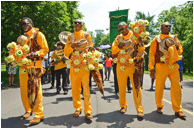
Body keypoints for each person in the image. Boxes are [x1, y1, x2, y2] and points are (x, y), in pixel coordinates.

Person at [149, 22, 186, 118]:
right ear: (161, 28)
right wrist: (151, 68)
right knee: (159, 87)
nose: (168, 28)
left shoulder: (174, 38)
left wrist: (177, 47)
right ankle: (159, 105)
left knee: (177, 87)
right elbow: (152, 54)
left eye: (170, 26)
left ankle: (178, 109)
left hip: (173, 66)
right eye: (166, 26)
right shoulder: (156, 39)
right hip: (161, 66)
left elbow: (180, 50)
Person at [112, 22, 145, 118]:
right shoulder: (118, 38)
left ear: (126, 27)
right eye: (120, 30)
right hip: (121, 65)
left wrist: (139, 42)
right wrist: (119, 46)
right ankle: (123, 105)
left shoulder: (135, 35)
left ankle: (139, 109)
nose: (121, 31)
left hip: (133, 65)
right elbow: (113, 50)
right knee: (121, 88)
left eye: (122, 29)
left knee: (136, 87)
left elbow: (142, 49)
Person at [19, 17, 49, 124]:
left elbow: (45, 49)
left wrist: (36, 53)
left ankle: (39, 114)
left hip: (35, 66)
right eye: (22, 24)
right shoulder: (22, 37)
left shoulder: (38, 34)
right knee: (24, 89)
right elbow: (18, 50)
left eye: (25, 24)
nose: (23, 26)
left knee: (36, 90)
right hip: (23, 67)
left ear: (31, 23)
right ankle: (28, 109)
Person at [64, 19, 94, 119]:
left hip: (84, 64)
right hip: (74, 64)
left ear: (82, 26)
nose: (77, 25)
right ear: (74, 26)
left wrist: (92, 62)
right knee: (75, 87)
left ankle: (88, 110)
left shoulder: (86, 35)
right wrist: (72, 46)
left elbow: (91, 48)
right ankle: (77, 107)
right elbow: (66, 51)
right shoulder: (70, 36)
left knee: (86, 87)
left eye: (79, 24)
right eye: (75, 24)